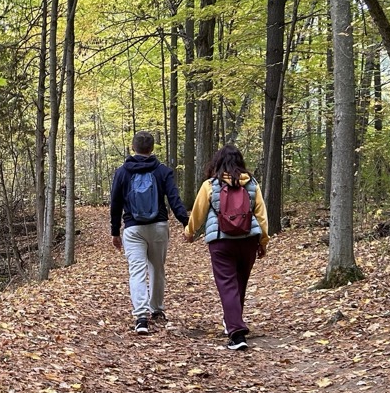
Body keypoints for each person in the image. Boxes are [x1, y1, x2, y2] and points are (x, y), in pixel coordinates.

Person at [184, 145, 270, 350]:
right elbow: (261, 215)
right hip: (248, 239)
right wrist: (263, 241)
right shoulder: (252, 184)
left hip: (220, 240)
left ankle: (236, 333)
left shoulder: (210, 185)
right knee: (239, 283)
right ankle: (233, 322)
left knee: (227, 284)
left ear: (218, 163)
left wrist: (189, 231)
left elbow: (198, 211)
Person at [109, 131, 190, 335]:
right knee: (157, 268)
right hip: (159, 226)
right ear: (152, 149)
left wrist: (115, 232)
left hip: (133, 228)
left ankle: (141, 317)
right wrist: (187, 223)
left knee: (136, 271)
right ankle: (157, 310)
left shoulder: (122, 172)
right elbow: (174, 200)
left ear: (133, 147)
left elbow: (115, 204)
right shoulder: (162, 171)